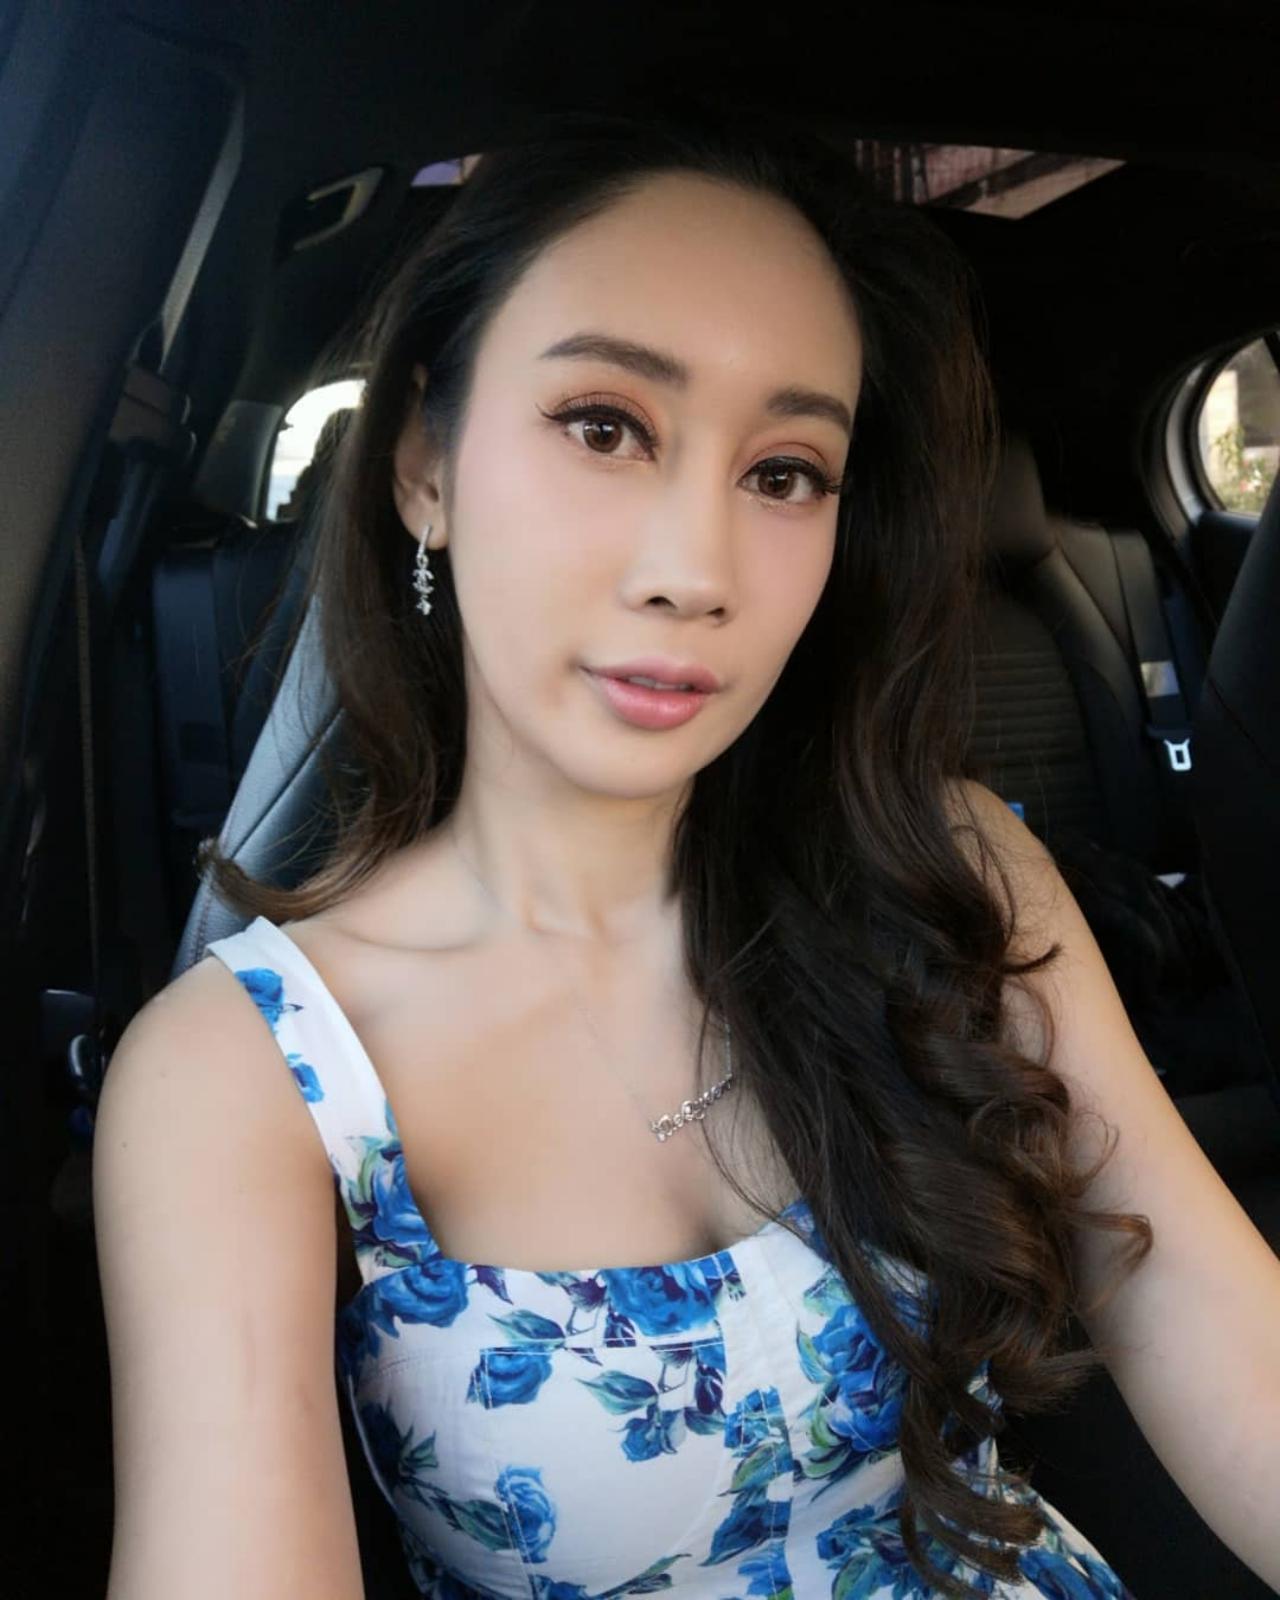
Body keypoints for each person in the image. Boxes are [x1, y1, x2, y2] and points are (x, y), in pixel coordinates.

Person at [91, 102, 1280, 1599]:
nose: (695, 572)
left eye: (785, 473)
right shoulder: (248, 1076)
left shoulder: (947, 872)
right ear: (425, 466)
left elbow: (1207, 1317)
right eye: (605, 426)